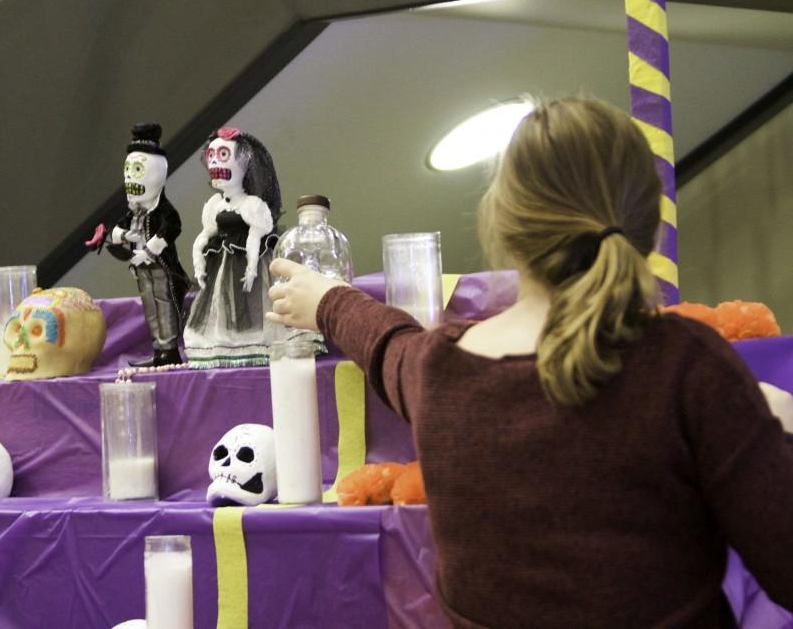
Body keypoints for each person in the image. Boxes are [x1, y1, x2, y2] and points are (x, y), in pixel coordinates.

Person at [267, 97, 793, 627]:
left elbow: (388, 345)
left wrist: (331, 301)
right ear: (650, 229)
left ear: (502, 222)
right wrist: (777, 431)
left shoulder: (439, 374)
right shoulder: (688, 367)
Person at [85, 122, 189, 367]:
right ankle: (158, 348)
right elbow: (116, 230)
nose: (131, 175)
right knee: (150, 306)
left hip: (161, 268)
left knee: (164, 305)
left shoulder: (164, 211)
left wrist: (149, 250)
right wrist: (122, 236)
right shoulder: (133, 213)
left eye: (138, 169)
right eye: (128, 169)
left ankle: (169, 349)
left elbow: (172, 228)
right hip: (140, 270)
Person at [183, 127, 283, 368]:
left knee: (249, 303)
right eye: (212, 156)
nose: (216, 162)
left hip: (247, 260)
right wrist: (198, 261)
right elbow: (205, 236)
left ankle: (251, 342)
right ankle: (225, 343)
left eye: (224, 155)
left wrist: (251, 268)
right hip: (221, 263)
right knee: (221, 302)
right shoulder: (214, 205)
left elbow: (254, 237)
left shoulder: (251, 205)